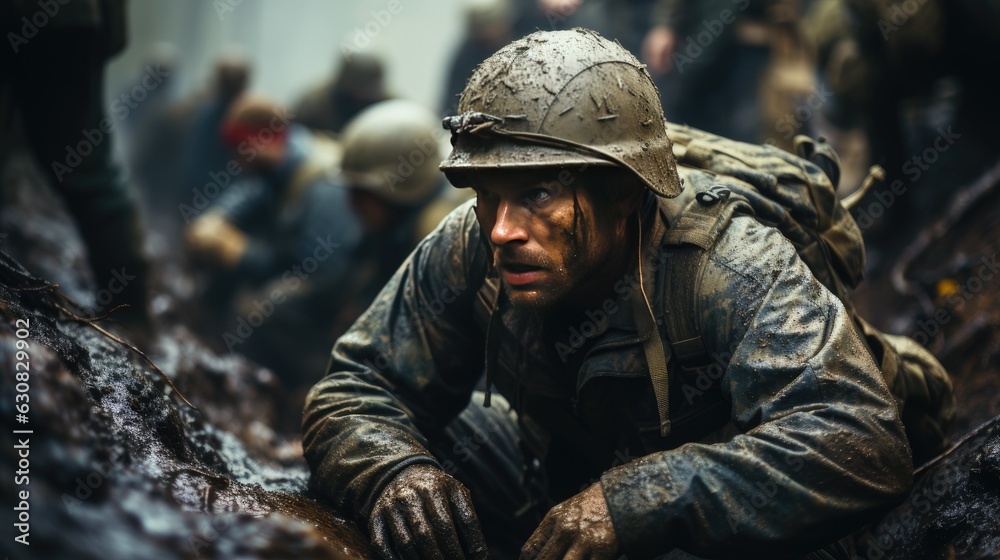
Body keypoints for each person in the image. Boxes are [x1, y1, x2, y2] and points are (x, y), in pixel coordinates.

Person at [303, 29, 953, 559]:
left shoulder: (729, 267)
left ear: (622, 192)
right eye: (485, 195)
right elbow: (355, 386)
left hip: (725, 521)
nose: (502, 229)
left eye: (536, 193)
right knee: (417, 463)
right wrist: (395, 471)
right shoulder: (473, 245)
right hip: (569, 475)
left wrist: (638, 500)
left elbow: (860, 441)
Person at [184, 95, 361, 388]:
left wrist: (242, 254)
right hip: (312, 273)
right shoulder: (281, 162)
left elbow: (318, 274)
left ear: (262, 141)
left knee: (262, 310)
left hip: (335, 296)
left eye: (241, 150)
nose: (235, 160)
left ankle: (306, 384)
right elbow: (251, 194)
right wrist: (216, 219)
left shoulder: (323, 184)